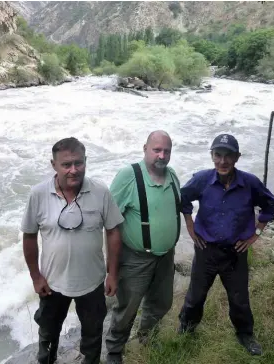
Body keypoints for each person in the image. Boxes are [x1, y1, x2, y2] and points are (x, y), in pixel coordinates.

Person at [21, 137, 124, 364]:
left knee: (93, 334)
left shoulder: (100, 192)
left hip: (93, 282)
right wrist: (36, 276)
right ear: (54, 165)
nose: (73, 170)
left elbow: (114, 231)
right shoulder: (38, 194)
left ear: (86, 161)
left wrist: (113, 273)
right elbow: (29, 236)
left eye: (79, 163)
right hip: (52, 283)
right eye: (66, 165)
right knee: (48, 333)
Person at [177, 133, 274, 356]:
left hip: (235, 253)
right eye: (218, 155)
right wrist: (189, 224)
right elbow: (182, 197)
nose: (223, 161)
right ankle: (186, 329)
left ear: (237, 157)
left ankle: (245, 334)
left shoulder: (249, 183)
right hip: (206, 250)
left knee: (239, 298)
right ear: (212, 156)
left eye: (228, 156)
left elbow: (269, 204)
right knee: (195, 296)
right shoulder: (202, 179)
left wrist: (256, 234)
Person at [105, 130, 181, 364]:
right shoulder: (129, 175)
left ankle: (146, 336)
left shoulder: (172, 175)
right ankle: (115, 350)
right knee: (127, 307)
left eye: (166, 151)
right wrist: (112, 270)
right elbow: (109, 222)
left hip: (166, 256)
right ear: (145, 148)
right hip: (136, 258)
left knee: (162, 301)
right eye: (157, 150)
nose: (162, 155)